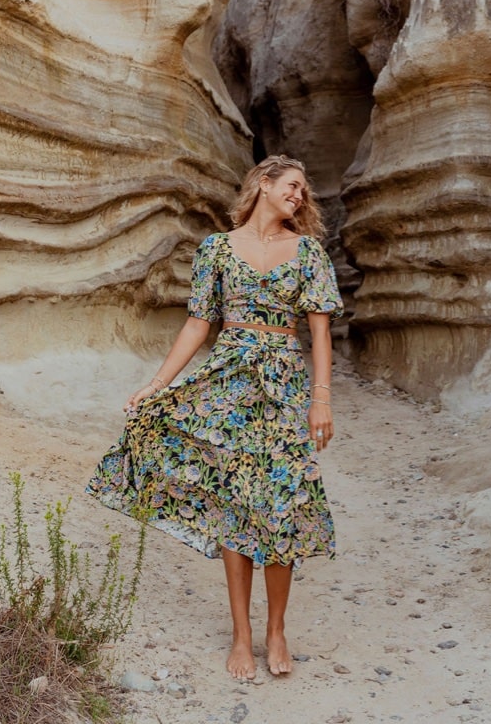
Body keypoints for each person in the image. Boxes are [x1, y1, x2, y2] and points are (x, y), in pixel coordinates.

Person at [86, 154, 343, 680]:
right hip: (226, 387)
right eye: (292, 185)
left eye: (304, 191)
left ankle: (276, 630)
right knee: (233, 505)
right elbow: (197, 326)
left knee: (283, 505)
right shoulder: (216, 250)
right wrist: (155, 386)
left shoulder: (309, 252)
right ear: (264, 184)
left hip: (283, 388)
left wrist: (321, 399)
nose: (299, 195)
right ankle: (241, 636)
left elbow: (319, 333)